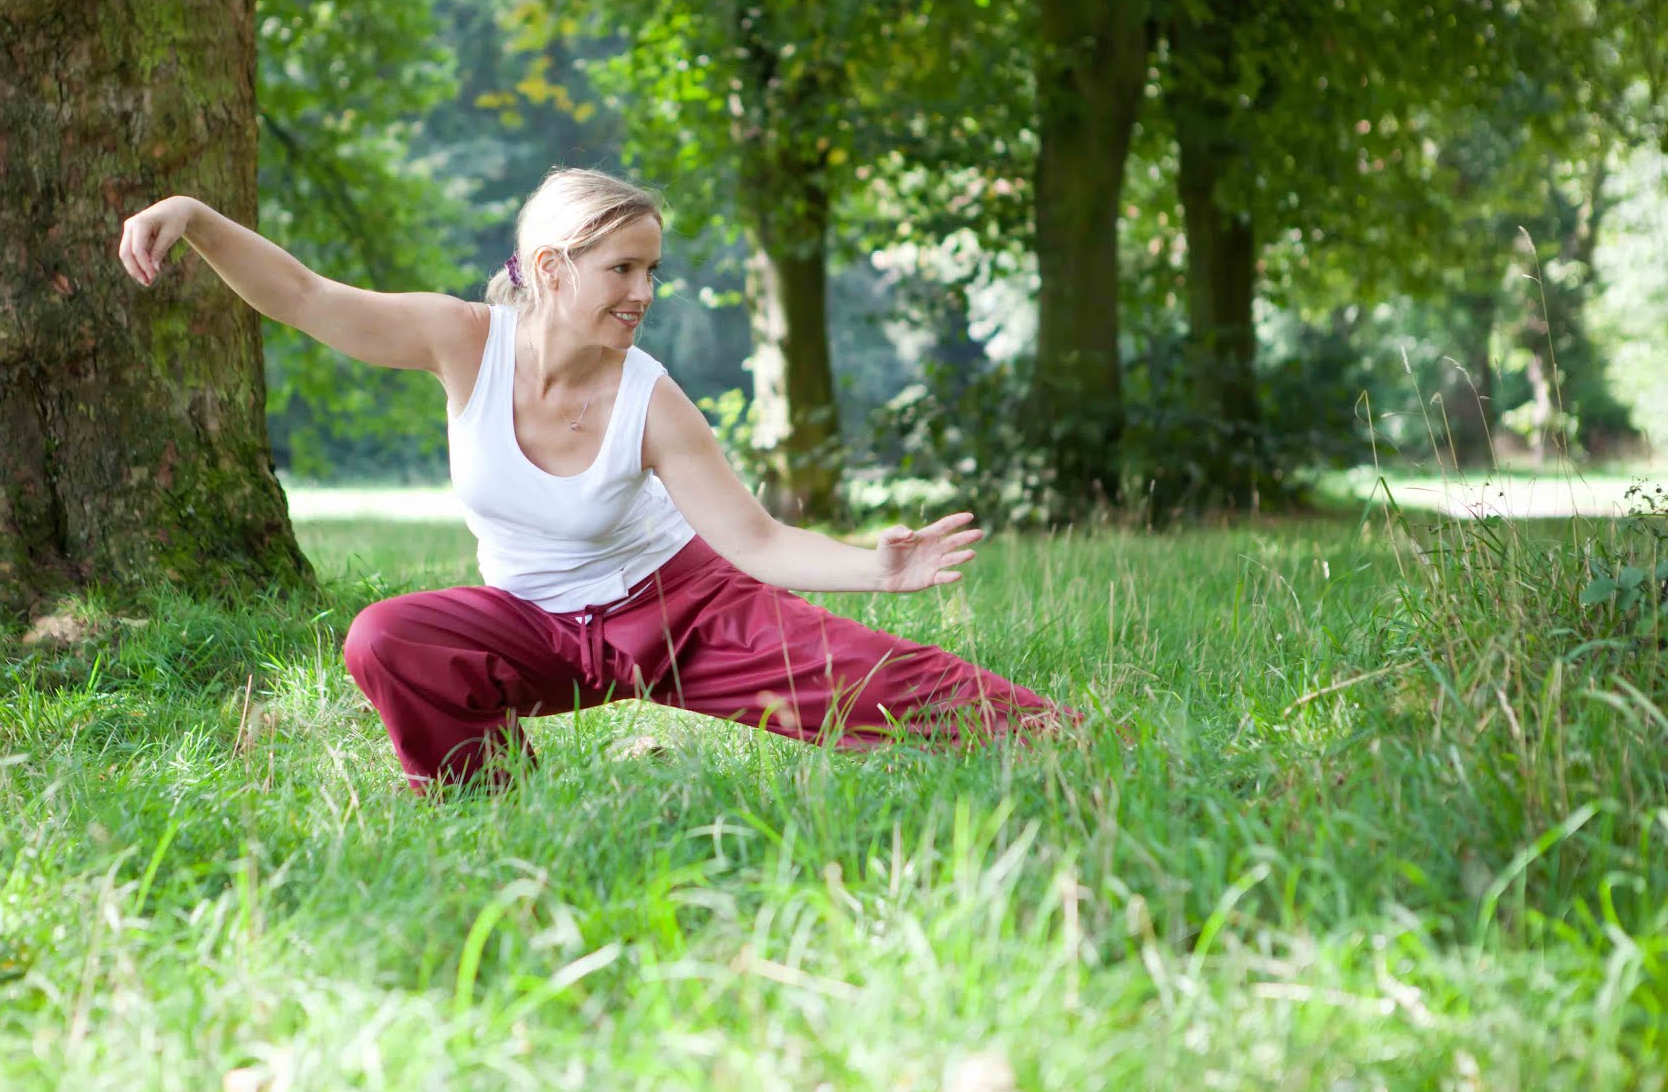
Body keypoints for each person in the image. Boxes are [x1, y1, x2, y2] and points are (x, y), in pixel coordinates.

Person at [118, 168, 1070, 790]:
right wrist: (194, 218)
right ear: (550, 268)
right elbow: (305, 298)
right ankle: (490, 806)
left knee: (888, 688)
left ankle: (1066, 735)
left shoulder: (650, 398)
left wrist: (881, 568)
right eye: (623, 268)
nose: (644, 293)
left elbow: (757, 541)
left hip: (683, 613)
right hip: (533, 626)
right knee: (387, 637)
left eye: (652, 269)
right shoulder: (462, 342)